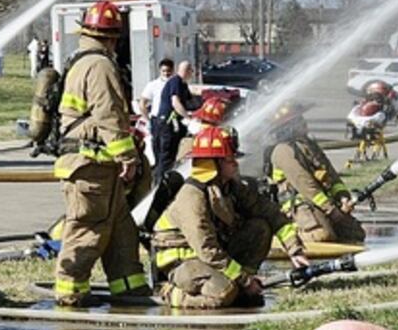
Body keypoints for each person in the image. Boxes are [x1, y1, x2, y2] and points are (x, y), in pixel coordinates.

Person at [52, 0, 150, 306]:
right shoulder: (99, 65)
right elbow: (108, 115)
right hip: (90, 166)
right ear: (112, 37)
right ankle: (70, 292)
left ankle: (128, 288)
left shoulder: (82, 60)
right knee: (88, 229)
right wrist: (128, 158)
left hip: (97, 166)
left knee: (120, 230)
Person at [153, 127, 309, 309]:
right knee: (224, 293)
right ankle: (170, 293)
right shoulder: (192, 197)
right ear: (213, 164)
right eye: (229, 159)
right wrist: (245, 280)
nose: (235, 163)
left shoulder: (229, 187)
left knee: (260, 228)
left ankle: (240, 288)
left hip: (211, 259)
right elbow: (207, 249)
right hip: (181, 264)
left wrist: (294, 248)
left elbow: (268, 211)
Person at [266, 102, 366, 245]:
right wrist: (331, 211)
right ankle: (286, 236)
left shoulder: (309, 146)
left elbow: (331, 174)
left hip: (322, 203)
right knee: (322, 235)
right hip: (301, 206)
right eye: (299, 120)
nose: (304, 123)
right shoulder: (283, 151)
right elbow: (306, 185)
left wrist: (343, 197)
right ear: (288, 127)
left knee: (355, 234)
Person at [153, 60, 197, 185]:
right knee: (166, 157)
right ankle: (160, 184)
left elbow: (191, 101)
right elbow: (175, 102)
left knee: (173, 156)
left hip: (174, 126)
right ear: (187, 71)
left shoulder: (182, 85)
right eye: (191, 71)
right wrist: (188, 118)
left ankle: (168, 181)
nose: (192, 74)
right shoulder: (175, 81)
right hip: (168, 125)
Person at [140, 59, 174, 170]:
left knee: (167, 151)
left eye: (168, 71)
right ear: (160, 71)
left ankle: (163, 173)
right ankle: (158, 173)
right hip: (157, 120)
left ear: (172, 70)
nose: (166, 74)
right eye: (164, 71)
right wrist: (148, 120)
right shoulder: (153, 85)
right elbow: (142, 103)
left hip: (171, 120)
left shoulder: (175, 84)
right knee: (157, 149)